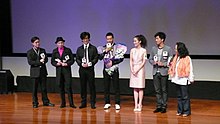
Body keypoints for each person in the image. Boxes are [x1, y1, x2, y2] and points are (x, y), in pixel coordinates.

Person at [99, 32, 126, 110]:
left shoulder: (117, 48)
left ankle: (117, 103)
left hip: (114, 69)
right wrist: (106, 51)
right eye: (108, 39)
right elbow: (100, 57)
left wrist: (113, 62)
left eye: (110, 39)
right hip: (106, 69)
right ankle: (107, 102)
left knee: (116, 86)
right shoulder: (103, 48)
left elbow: (121, 58)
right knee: (106, 86)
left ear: (113, 39)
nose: (109, 40)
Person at [27, 36, 55, 108]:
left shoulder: (42, 50)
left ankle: (46, 101)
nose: (38, 43)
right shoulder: (30, 52)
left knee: (44, 88)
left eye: (38, 42)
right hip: (34, 73)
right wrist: (39, 62)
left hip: (42, 72)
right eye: (36, 42)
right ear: (32, 43)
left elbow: (46, 60)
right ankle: (35, 103)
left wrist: (44, 61)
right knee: (34, 89)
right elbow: (30, 62)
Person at [149, 32, 172, 113]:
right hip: (155, 71)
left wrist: (163, 64)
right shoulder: (153, 49)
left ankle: (164, 106)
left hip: (164, 72)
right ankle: (159, 105)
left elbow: (170, 61)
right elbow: (150, 59)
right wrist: (153, 63)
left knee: (164, 90)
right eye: (155, 39)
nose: (156, 40)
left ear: (162, 39)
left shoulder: (168, 49)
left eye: (157, 38)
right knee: (157, 90)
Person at [169, 42, 194, 117]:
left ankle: (186, 111)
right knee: (179, 96)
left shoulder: (187, 58)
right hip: (177, 79)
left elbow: (190, 69)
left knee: (185, 97)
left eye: (176, 49)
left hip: (184, 80)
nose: (175, 50)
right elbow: (174, 67)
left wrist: (191, 78)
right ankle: (180, 110)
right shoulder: (176, 57)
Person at [51, 37, 76, 108]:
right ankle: (63, 103)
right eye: (59, 43)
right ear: (56, 44)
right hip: (59, 72)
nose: (60, 44)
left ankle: (71, 103)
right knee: (61, 87)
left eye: (62, 43)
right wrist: (56, 64)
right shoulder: (54, 51)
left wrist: (67, 64)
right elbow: (52, 61)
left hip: (66, 71)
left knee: (68, 87)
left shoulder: (68, 50)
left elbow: (72, 60)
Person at [76, 32, 98, 109]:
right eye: (84, 39)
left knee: (92, 86)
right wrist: (81, 64)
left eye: (86, 38)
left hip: (90, 69)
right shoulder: (79, 49)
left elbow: (96, 57)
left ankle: (92, 102)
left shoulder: (93, 48)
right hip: (82, 70)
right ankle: (83, 102)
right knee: (83, 86)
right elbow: (77, 58)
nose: (85, 40)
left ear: (89, 39)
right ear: (82, 40)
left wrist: (91, 63)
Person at [129, 35, 147, 112]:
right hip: (133, 69)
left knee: (140, 87)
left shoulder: (143, 50)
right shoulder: (132, 50)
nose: (134, 42)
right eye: (134, 41)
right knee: (135, 87)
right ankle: (136, 104)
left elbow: (144, 61)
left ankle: (140, 104)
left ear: (140, 41)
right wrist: (132, 69)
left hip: (140, 69)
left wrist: (138, 69)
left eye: (135, 41)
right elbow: (130, 60)